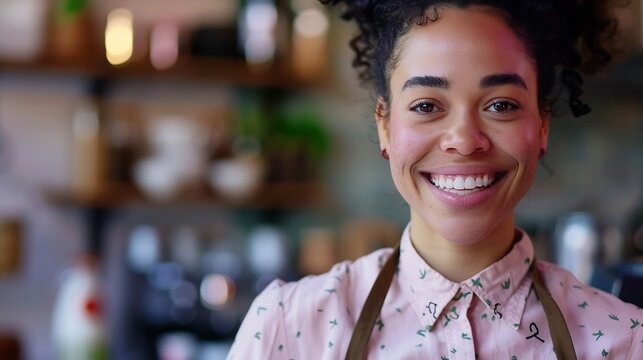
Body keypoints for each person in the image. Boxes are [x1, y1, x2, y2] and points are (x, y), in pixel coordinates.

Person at [227, 0, 643, 358]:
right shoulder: (287, 328)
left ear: (542, 128)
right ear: (386, 127)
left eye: (500, 105)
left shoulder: (625, 342)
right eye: (426, 105)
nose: (464, 141)